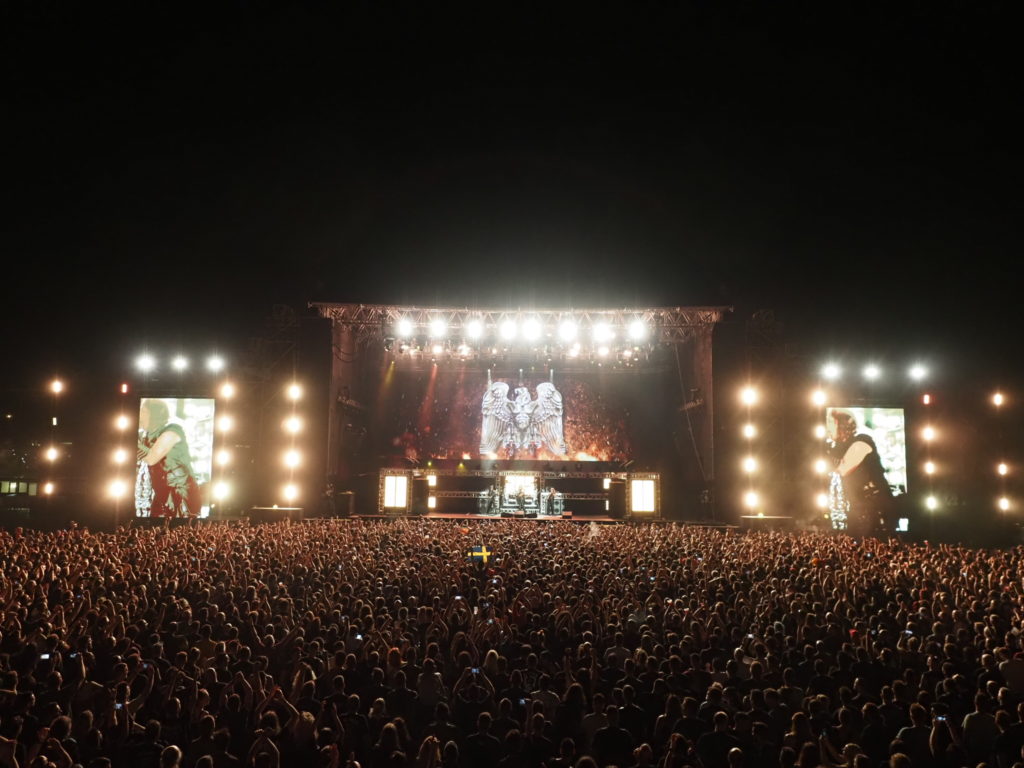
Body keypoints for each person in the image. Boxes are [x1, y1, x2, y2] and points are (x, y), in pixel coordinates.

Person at [827, 410, 892, 535]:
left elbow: (843, 469)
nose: (827, 427)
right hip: (856, 505)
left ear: (842, 424)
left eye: (831, 422)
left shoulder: (863, 440)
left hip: (875, 505)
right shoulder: (836, 448)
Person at [137, 398, 202, 518]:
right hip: (162, 492)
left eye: (144, 412)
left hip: (180, 491)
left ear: (155, 414)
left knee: (181, 527)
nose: (140, 415)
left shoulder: (173, 431)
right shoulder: (145, 436)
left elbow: (152, 458)